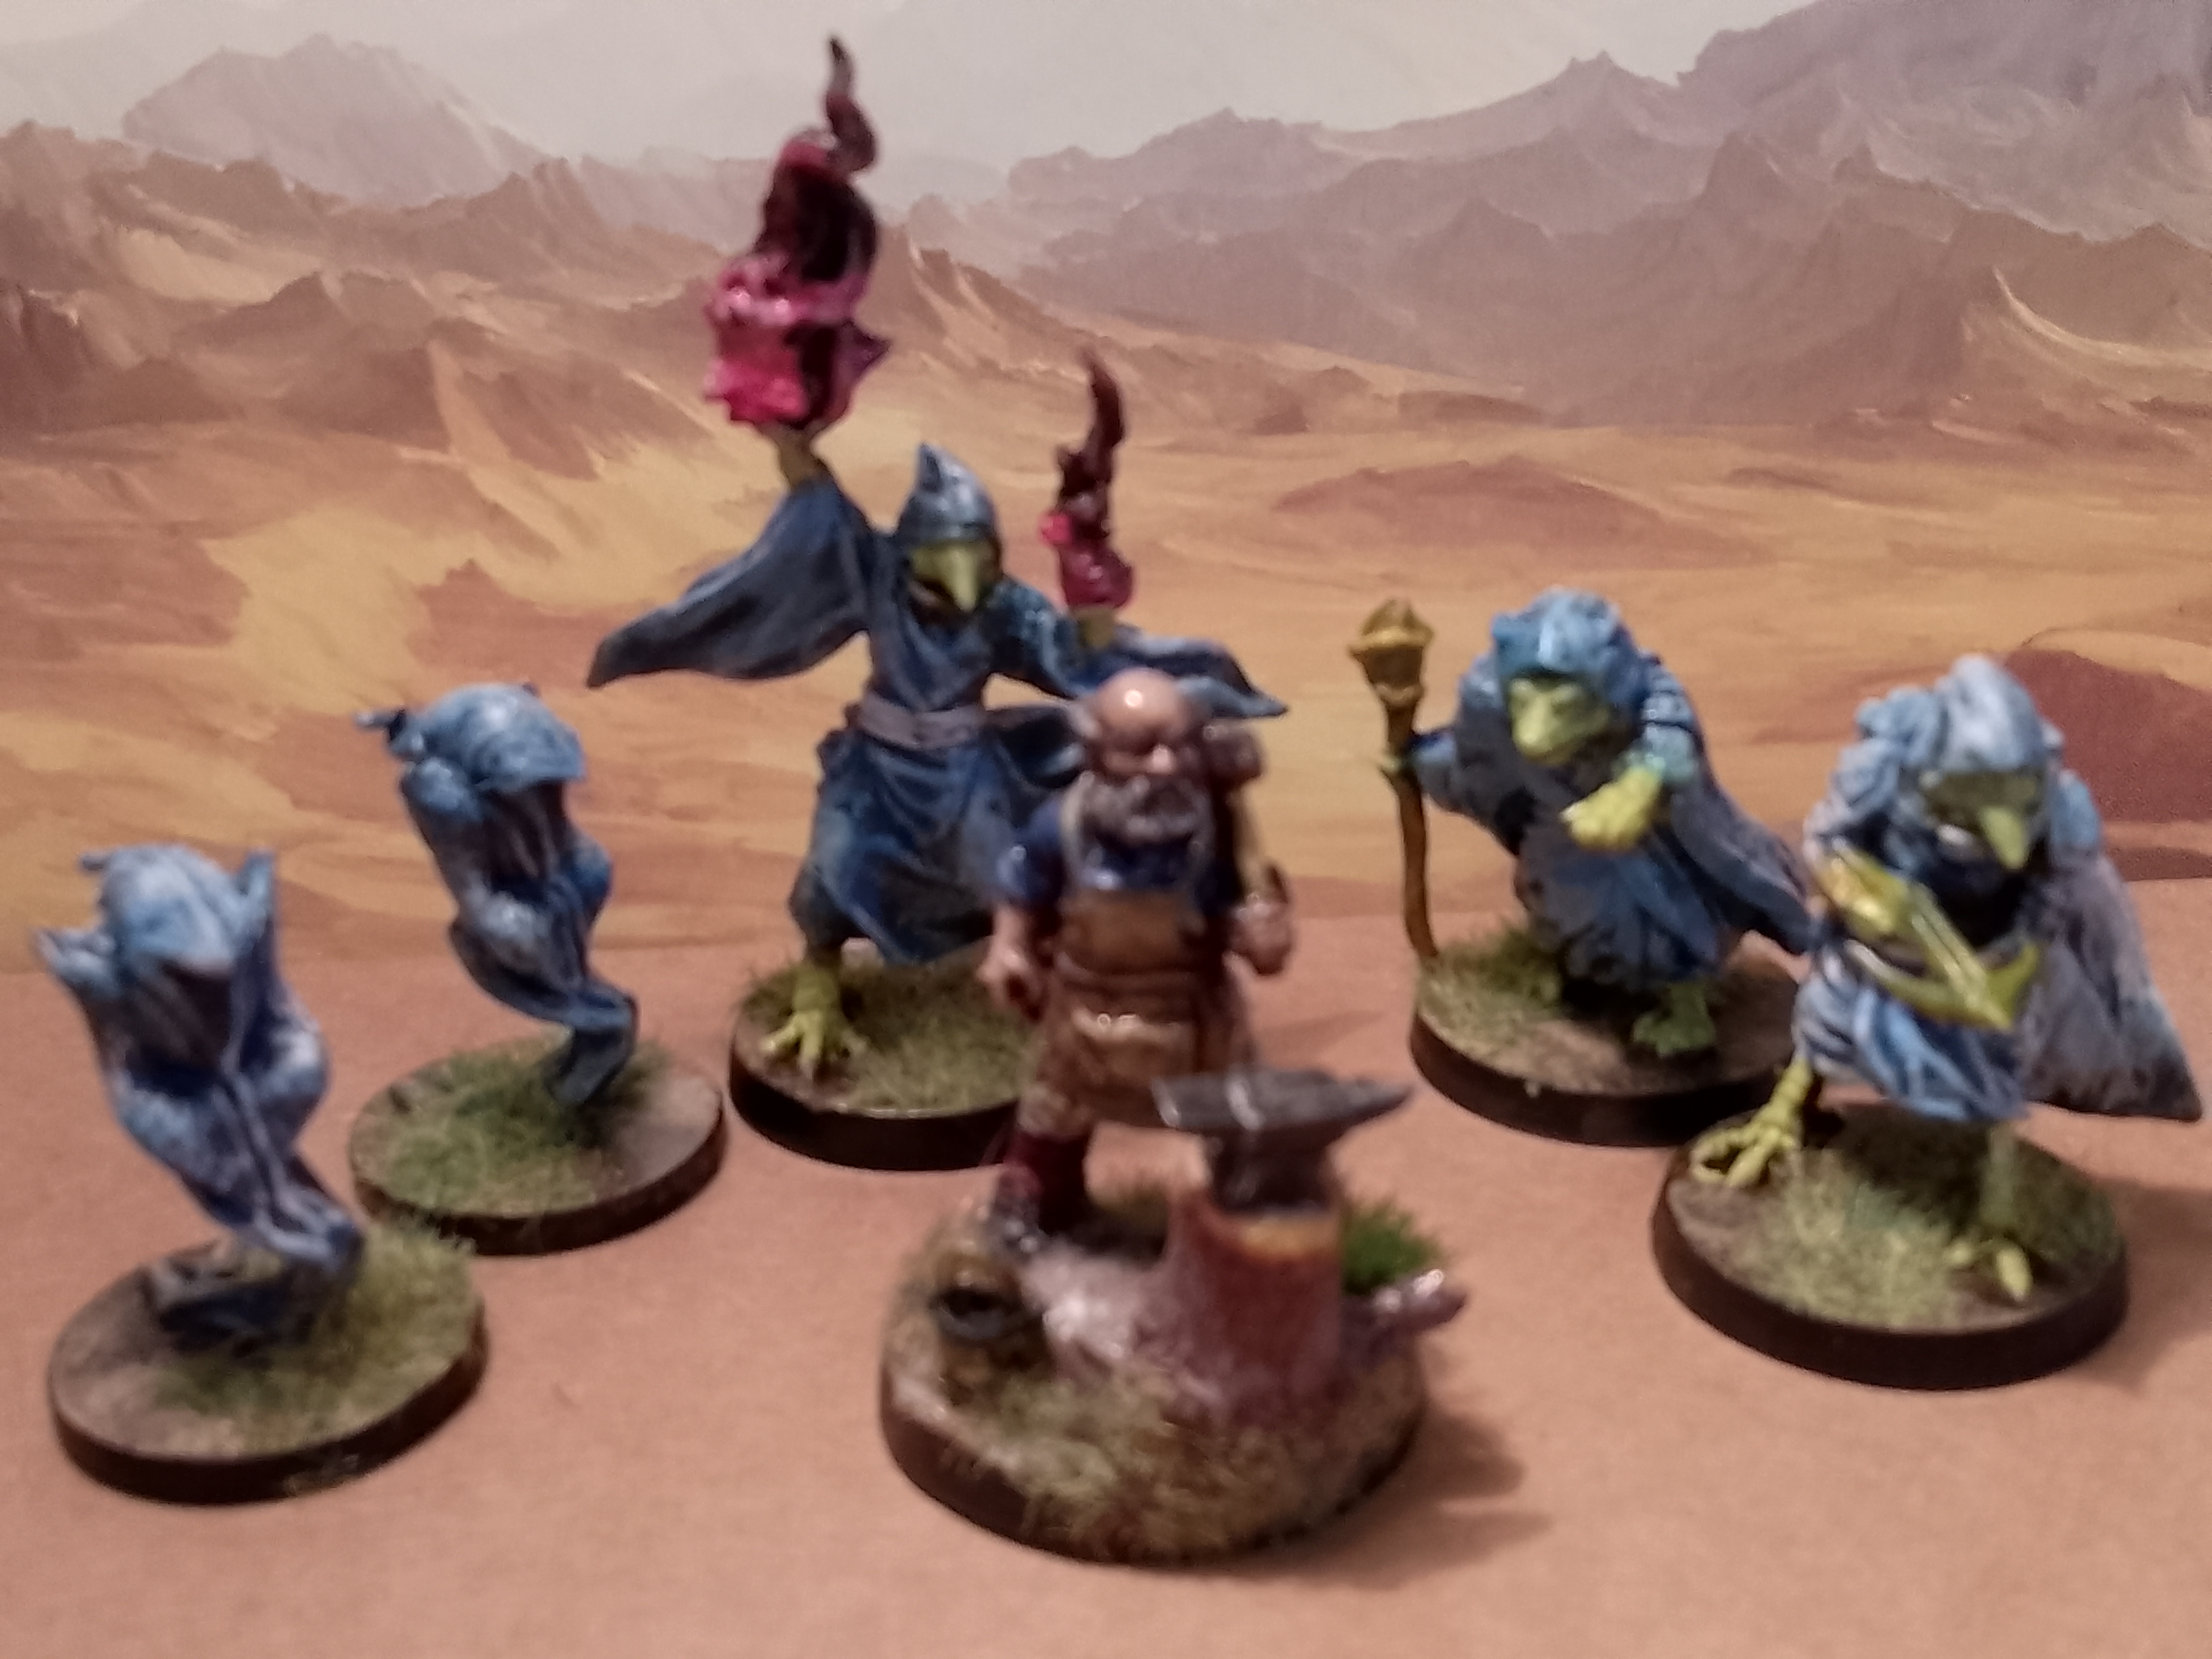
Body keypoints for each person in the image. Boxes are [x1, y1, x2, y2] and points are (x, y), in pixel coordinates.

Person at [588, 429, 1280, 1075]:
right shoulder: (878, 574)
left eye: (978, 554)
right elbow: (820, 509)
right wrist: (794, 438)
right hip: (877, 767)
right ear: (914, 547)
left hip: (964, 770)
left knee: (996, 868)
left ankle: (1036, 977)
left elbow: (1066, 653)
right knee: (836, 861)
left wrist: (1091, 596)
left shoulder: (1002, 605)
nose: (964, 576)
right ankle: (817, 989)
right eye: (947, 553)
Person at [1403, 586, 1811, 1054]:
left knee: (1658, 926)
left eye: (1565, 708)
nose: (1534, 734)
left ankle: (1686, 1010)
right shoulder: (1492, 705)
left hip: (1641, 853)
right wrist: (1416, 759)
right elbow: (1475, 766)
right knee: (1559, 909)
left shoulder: (1651, 699)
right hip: (1558, 843)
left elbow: (1671, 741)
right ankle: (1569, 970)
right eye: (1524, 703)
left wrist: (1640, 785)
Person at [980, 668, 1294, 1239]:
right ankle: (1032, 1204)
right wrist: (1008, 947)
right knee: (1055, 1110)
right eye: (1139, 749)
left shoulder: (1216, 832)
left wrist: (1260, 935)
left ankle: (1245, 1213)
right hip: (1085, 1008)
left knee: (1237, 1112)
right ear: (1095, 752)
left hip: (1193, 1012)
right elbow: (1020, 888)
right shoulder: (1063, 827)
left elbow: (1253, 920)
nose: (1164, 766)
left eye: (1179, 746)